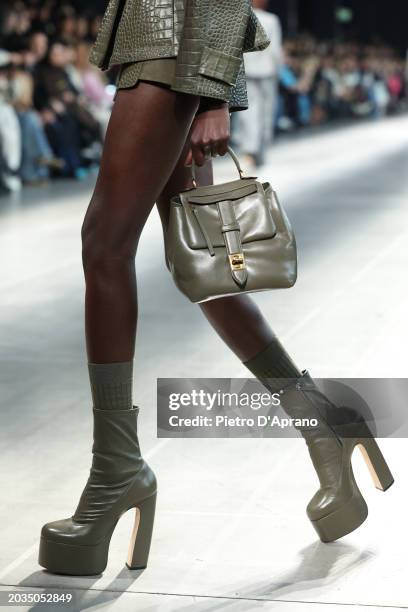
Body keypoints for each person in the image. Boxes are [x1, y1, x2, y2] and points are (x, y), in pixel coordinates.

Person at [38, 0, 393, 576]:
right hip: (161, 47)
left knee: (105, 245)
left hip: (172, 51)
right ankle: (324, 421)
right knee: (201, 265)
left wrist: (210, 95)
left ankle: (116, 469)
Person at [236, 0, 282, 167]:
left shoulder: (243, 15)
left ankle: (250, 150)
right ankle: (259, 149)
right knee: (265, 111)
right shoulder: (272, 19)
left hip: (248, 70)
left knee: (249, 112)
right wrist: (278, 71)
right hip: (267, 71)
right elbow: (275, 49)